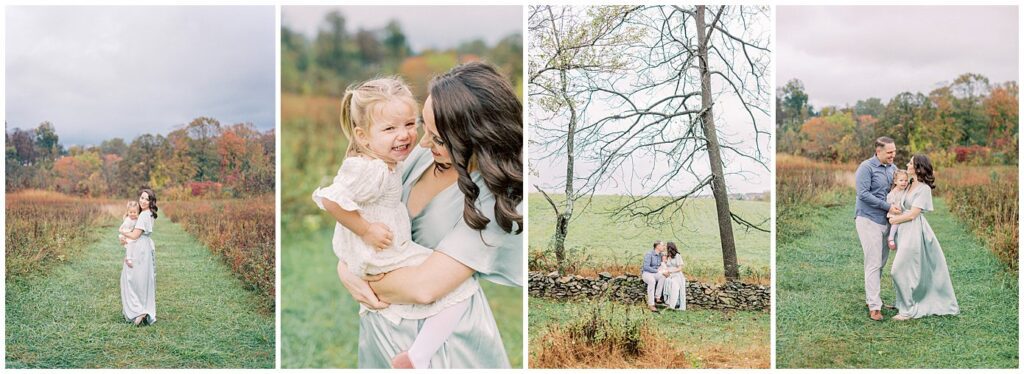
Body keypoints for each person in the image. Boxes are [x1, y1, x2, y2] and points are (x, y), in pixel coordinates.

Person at [330, 62, 523, 368]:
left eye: (439, 139)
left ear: (477, 137)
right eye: (424, 127)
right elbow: (364, 219)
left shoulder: (498, 197)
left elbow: (424, 288)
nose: (420, 142)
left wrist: (355, 276)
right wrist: (346, 269)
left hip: (446, 343)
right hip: (384, 327)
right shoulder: (420, 156)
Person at [312, 77, 478, 369]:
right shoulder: (371, 169)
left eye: (410, 124)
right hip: (383, 250)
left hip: (385, 249)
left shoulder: (392, 161)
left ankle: (416, 353)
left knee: (449, 286)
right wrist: (366, 230)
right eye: (390, 128)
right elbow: (331, 200)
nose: (404, 135)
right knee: (461, 289)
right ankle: (418, 356)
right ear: (363, 137)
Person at [888, 154, 959, 320]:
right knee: (908, 270)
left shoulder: (924, 189)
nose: (907, 164)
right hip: (903, 231)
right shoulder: (910, 183)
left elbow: (913, 214)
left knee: (897, 270)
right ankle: (903, 303)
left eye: (910, 162)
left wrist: (894, 219)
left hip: (914, 231)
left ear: (918, 167)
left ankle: (908, 310)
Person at [854, 137, 900, 321]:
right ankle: (874, 306)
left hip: (887, 221)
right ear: (878, 151)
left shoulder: (894, 169)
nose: (893, 155)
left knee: (880, 263)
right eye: (889, 152)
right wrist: (887, 207)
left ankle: (872, 298)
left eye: (894, 151)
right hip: (868, 219)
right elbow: (862, 194)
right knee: (873, 262)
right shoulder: (866, 167)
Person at [120, 188, 158, 326]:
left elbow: (135, 235)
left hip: (139, 248)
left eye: (147, 199)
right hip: (145, 247)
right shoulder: (149, 214)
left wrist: (122, 232)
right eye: (141, 197)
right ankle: (143, 308)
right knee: (142, 279)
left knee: (130, 278)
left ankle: (138, 310)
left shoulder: (143, 216)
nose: (143, 201)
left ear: (151, 202)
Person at [885, 169, 911, 250]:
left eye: (906, 180)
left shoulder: (904, 189)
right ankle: (891, 238)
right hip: (894, 212)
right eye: (901, 180)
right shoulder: (893, 192)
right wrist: (894, 208)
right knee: (896, 223)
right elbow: (890, 203)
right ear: (895, 181)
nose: (904, 182)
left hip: (902, 212)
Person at [641, 241, 666, 312]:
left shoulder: (661, 255)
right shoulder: (649, 254)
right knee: (652, 281)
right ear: (657, 246)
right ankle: (651, 304)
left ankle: (657, 297)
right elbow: (646, 267)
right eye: (662, 245)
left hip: (655, 273)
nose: (664, 247)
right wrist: (658, 271)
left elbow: (663, 264)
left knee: (663, 277)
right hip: (647, 273)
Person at [662, 242, 686, 311]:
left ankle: (672, 306)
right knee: (669, 288)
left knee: (674, 289)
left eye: (668, 247)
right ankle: (669, 303)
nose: (667, 249)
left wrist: (671, 271)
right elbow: (666, 266)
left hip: (677, 275)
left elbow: (680, 268)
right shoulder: (667, 256)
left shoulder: (677, 256)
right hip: (669, 276)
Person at [118, 201, 141, 268]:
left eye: (134, 212)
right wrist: (123, 235)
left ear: (137, 212)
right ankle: (128, 258)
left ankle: (129, 257)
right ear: (128, 212)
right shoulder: (127, 220)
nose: (132, 214)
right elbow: (121, 228)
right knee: (130, 243)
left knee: (133, 245)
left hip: (131, 234)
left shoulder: (137, 219)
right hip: (126, 234)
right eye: (130, 212)